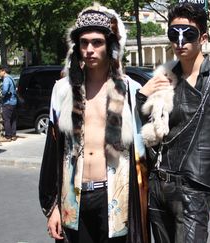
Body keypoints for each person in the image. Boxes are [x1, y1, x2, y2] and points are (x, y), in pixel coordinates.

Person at [38, 3, 149, 243]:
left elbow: (142, 157)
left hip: (114, 199)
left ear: (110, 45)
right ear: (76, 47)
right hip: (73, 199)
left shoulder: (130, 91)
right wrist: (52, 206)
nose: (89, 49)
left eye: (97, 42)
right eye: (84, 42)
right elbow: (53, 153)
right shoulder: (62, 91)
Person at [137, 3, 210, 242]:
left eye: (189, 34)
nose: (180, 41)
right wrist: (142, 98)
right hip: (159, 186)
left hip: (195, 189)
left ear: (203, 37)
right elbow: (149, 130)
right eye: (174, 34)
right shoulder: (165, 78)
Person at [0, 65, 17, 142]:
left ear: (3, 71)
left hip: (8, 102)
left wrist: (1, 96)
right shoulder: (11, 78)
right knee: (13, 119)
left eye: (0, 71)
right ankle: (13, 135)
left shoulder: (6, 79)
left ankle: (8, 136)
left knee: (7, 119)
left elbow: (5, 90)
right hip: (13, 101)